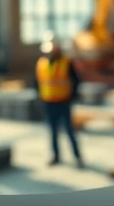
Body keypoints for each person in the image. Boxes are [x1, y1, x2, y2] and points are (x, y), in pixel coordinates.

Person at [35, 33, 83, 167]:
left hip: (63, 102)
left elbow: (76, 81)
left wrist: (72, 97)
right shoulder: (41, 63)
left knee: (69, 131)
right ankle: (55, 156)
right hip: (48, 103)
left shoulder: (66, 62)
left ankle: (77, 156)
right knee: (53, 132)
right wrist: (40, 99)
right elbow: (37, 83)